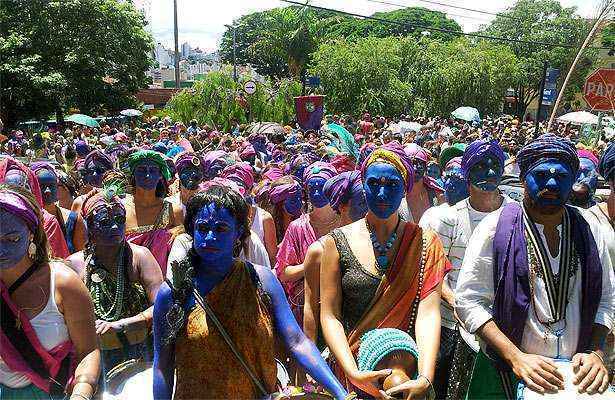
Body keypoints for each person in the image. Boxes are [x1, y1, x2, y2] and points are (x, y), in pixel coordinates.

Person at [455, 134, 615, 399]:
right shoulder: (495, 228)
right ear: (522, 178)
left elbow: (608, 299)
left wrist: (594, 352)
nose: (551, 183)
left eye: (562, 177)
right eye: (540, 176)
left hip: (574, 379)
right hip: (504, 372)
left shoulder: (590, 230)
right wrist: (516, 357)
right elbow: (469, 302)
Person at [152, 186, 348, 400]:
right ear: (191, 230)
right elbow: (163, 366)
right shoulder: (174, 293)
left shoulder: (261, 281)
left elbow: (296, 341)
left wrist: (340, 393)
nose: (210, 237)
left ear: (238, 233)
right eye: (203, 228)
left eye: (221, 229)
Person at [319, 142, 450, 399]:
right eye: (374, 183)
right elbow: (330, 315)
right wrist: (352, 372)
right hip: (352, 372)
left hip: (406, 377)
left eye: (391, 185)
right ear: (363, 184)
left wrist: (424, 377)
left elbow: (428, 312)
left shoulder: (426, 242)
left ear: (405, 188)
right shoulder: (336, 242)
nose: (381, 193)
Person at [419, 139, 513, 399]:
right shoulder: (446, 219)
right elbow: (435, 274)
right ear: (467, 173)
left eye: (495, 165)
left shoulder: (515, 216)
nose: (490, 172)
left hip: (502, 330)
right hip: (450, 327)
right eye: (482, 166)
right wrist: (461, 306)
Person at [0, 185, 100, 400]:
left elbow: (88, 351)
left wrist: (81, 393)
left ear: (31, 234)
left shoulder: (63, 283)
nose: (1, 250)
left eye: (12, 239)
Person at [67, 181, 163, 374]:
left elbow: (161, 305)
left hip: (140, 357)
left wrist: (120, 325)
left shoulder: (140, 257)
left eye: (119, 219)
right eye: (103, 222)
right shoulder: (74, 265)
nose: (114, 226)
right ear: (89, 227)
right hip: (93, 359)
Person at [303, 170, 368, 347]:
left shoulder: (380, 245)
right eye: (362, 202)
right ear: (342, 207)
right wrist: (310, 361)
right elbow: (311, 308)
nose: (369, 208)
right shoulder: (320, 251)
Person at [275, 161, 339, 324]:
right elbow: (283, 273)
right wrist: (312, 265)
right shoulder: (297, 227)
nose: (317, 193)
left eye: (322, 187)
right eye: (312, 188)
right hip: (306, 312)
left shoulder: (346, 223)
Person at [124, 150, 183, 276]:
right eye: (141, 170)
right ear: (133, 174)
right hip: (128, 282)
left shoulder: (173, 210)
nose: (147, 175)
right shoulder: (122, 208)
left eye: (153, 170)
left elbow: (181, 251)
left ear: (160, 175)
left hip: (162, 285)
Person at [0, 157, 70, 259]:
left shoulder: (47, 222)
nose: (17, 197)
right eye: (11, 190)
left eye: (23, 190)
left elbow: (60, 260)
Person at [32, 162, 87, 254]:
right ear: (33, 188)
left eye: (52, 186)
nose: (48, 191)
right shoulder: (28, 221)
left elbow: (80, 258)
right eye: (42, 186)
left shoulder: (73, 219)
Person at [400, 143, 444, 223]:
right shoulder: (396, 195)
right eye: (411, 163)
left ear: (425, 167)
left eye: (420, 163)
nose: (415, 168)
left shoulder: (437, 196)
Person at [166, 152, 204, 217]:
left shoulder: (207, 203)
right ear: (178, 174)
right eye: (188, 169)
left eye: (197, 169)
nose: (193, 174)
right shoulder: (170, 204)